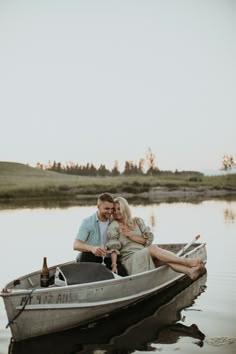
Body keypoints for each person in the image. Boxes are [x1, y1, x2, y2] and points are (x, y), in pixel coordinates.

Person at [106, 197, 205, 280]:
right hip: (131, 260)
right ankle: (186, 261)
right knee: (153, 248)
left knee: (165, 259)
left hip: (144, 254)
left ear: (125, 209)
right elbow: (113, 248)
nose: (116, 212)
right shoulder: (114, 226)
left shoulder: (137, 221)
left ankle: (190, 272)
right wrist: (114, 264)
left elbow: (146, 241)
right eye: (114, 210)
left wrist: (131, 236)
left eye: (119, 209)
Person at [73, 192, 128, 276]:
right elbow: (76, 245)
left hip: (109, 258)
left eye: (112, 209)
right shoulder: (88, 222)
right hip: (92, 258)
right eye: (106, 209)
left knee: (123, 273)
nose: (110, 212)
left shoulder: (114, 222)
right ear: (98, 207)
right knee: (84, 256)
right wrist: (92, 248)